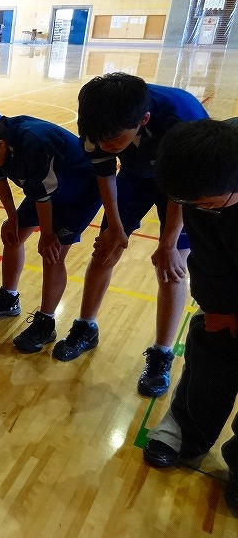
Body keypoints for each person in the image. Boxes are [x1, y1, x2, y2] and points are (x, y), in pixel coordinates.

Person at [56, 73, 208, 398]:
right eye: (101, 140)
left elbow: (183, 190)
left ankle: (162, 353)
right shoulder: (97, 124)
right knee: (104, 250)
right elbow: (105, 174)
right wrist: (114, 226)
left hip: (185, 183)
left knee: (171, 267)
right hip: (136, 177)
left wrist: (168, 244)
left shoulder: (181, 120)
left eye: (114, 140)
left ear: (144, 120)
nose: (106, 146)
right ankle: (86, 326)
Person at [142, 118, 238, 516]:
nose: (197, 210)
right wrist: (221, 310)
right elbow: (209, 256)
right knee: (211, 341)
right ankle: (186, 427)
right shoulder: (202, 180)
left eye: (207, 203)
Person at [0, 113, 102, 349]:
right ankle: (8, 299)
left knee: (52, 254)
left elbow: (43, 196)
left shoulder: (34, 142)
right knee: (12, 237)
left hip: (79, 190)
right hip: (44, 189)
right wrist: (12, 217)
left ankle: (46, 322)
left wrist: (47, 234)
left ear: (0, 147)